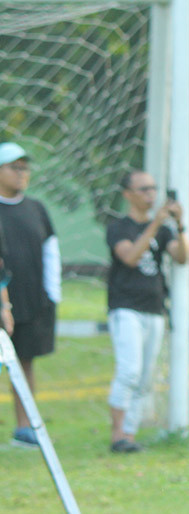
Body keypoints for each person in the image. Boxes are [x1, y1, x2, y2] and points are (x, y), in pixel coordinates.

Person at [105, 170, 189, 452]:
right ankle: (117, 434)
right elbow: (129, 257)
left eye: (153, 189)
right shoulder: (119, 227)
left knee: (144, 377)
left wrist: (180, 225)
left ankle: (129, 435)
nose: (151, 194)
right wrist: (156, 222)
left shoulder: (164, 231)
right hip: (125, 308)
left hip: (154, 309)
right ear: (128, 194)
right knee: (129, 370)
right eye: (143, 189)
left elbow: (182, 257)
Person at [0, 142, 61, 448]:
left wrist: (52, 294)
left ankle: (26, 427)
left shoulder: (36, 208)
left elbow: (51, 251)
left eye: (25, 167)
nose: (21, 173)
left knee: (24, 362)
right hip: (3, 300)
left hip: (31, 299)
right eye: (15, 167)